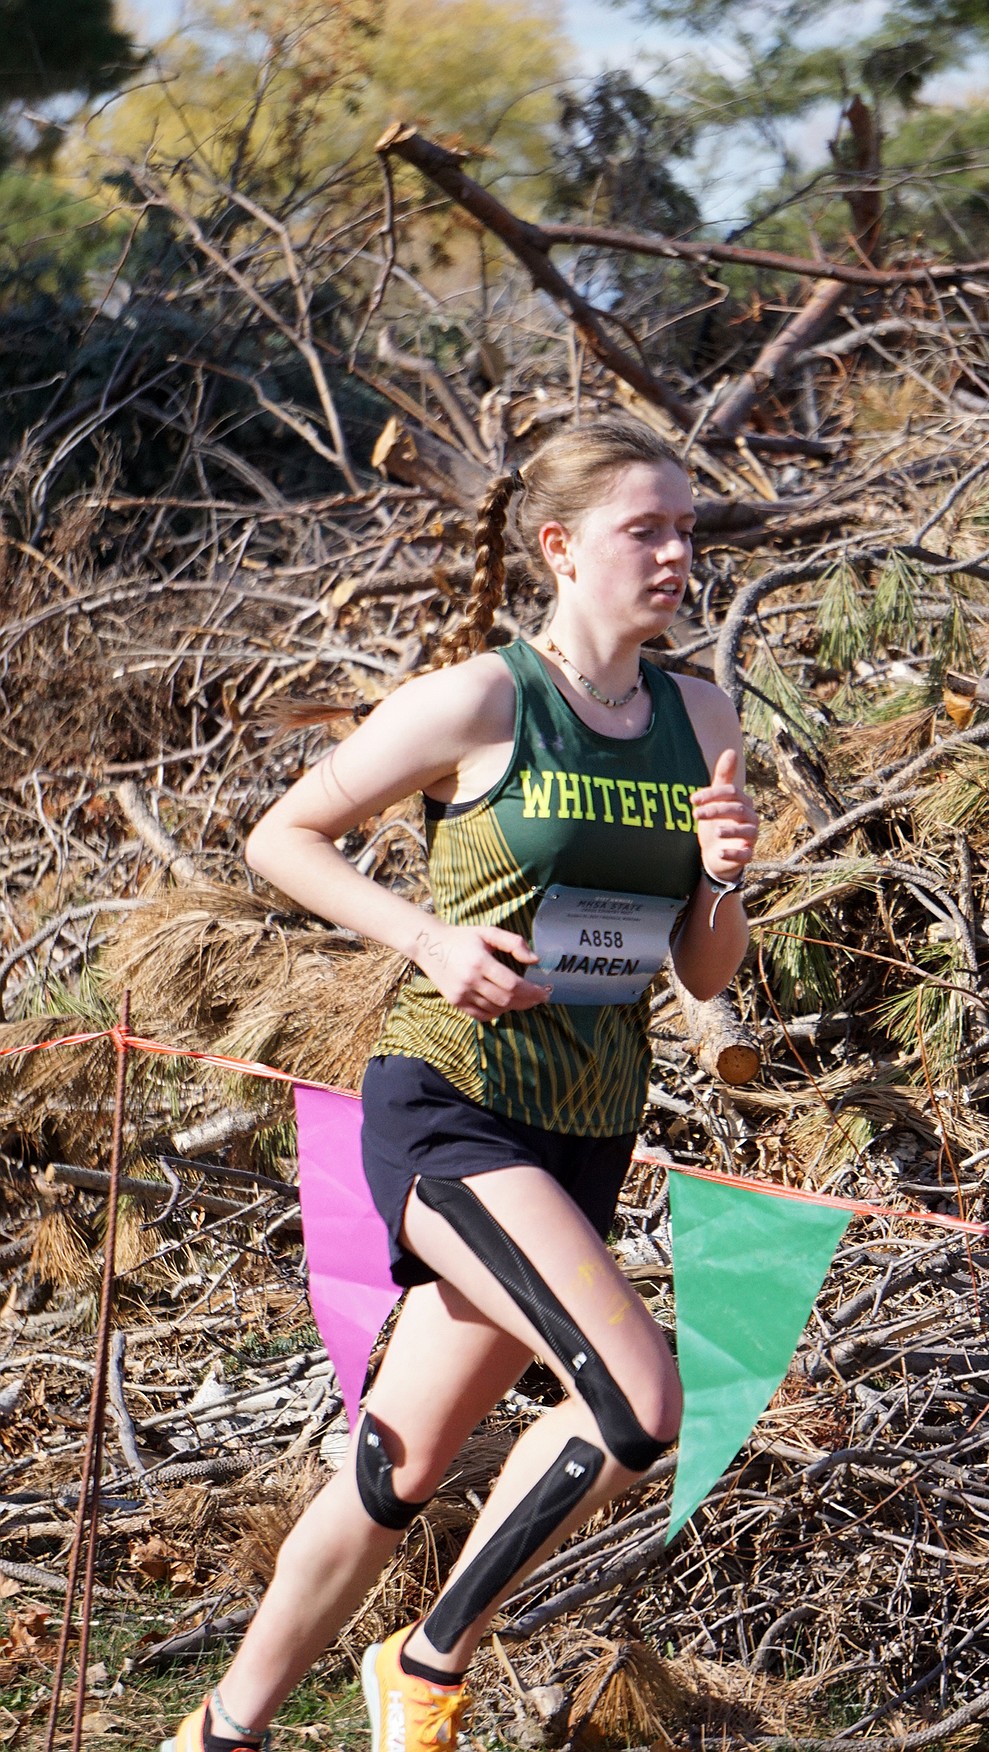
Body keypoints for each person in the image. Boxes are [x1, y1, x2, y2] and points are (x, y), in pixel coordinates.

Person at [161, 415, 759, 1752]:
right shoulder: (483, 699)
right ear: (561, 545)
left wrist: (723, 874)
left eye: (686, 530)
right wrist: (425, 937)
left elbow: (704, 973)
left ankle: (218, 1733)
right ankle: (427, 1668)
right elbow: (282, 835)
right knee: (638, 1403)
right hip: (451, 1105)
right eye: (643, 530)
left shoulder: (700, 716)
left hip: (585, 1129)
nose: (675, 555)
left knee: (398, 1466)